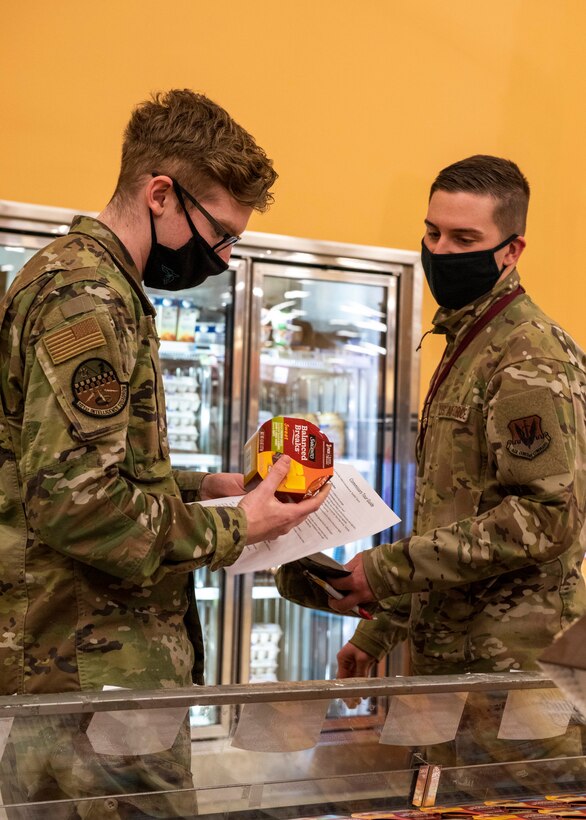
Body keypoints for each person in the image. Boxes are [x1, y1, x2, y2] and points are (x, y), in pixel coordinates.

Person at [0, 89, 329, 819]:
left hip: (82, 674)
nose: (224, 257)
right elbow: (75, 504)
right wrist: (236, 525)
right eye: (220, 233)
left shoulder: (79, 278)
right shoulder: (88, 297)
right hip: (95, 678)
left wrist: (204, 483)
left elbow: (60, 469)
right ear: (159, 194)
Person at [320, 155, 586, 774]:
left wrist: (384, 571)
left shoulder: (527, 359)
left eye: (465, 239)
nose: (441, 250)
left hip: (507, 684)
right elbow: (453, 515)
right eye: (434, 232)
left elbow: (547, 519)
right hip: (447, 670)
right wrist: (380, 630)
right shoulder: (468, 343)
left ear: (511, 250)